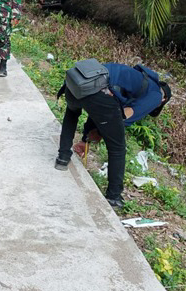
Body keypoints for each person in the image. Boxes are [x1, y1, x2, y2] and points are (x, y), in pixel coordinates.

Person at [54, 62, 172, 208]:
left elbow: (100, 109)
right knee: (117, 147)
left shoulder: (135, 77)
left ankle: (62, 158)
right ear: (164, 100)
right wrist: (100, 132)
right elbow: (124, 117)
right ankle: (114, 197)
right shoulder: (156, 95)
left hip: (74, 82)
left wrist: (86, 140)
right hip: (94, 90)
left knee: (72, 113)